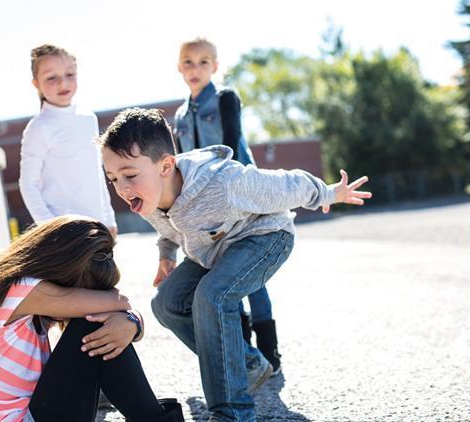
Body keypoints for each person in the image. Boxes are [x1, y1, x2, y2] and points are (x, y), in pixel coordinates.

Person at [98, 108, 371, 421]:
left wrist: (328, 192)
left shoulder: (222, 183)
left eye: (129, 175)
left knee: (212, 296)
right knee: (166, 303)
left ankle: (233, 412)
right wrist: (166, 256)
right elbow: (169, 231)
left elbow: (285, 185)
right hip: (213, 250)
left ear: (165, 166)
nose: (121, 188)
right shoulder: (148, 196)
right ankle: (247, 364)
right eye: (113, 178)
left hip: (265, 238)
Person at [0, 216, 184, 422]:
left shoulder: (14, 290)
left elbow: (121, 308)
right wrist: (130, 319)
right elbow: (119, 302)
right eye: (82, 292)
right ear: (62, 270)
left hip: (27, 415)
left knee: (100, 324)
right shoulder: (19, 289)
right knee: (93, 323)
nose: (79, 304)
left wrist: (132, 323)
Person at [173, 37, 280, 374]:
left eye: (204, 62)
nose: (196, 69)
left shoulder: (225, 99)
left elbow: (232, 145)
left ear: (215, 66)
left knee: (252, 276)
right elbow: (181, 164)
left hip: (241, 198)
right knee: (222, 275)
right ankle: (246, 355)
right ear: (179, 67)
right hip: (204, 207)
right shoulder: (179, 115)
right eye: (188, 62)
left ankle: (269, 352)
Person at [19, 44, 117, 235]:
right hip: (65, 233)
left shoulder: (89, 119)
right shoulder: (39, 128)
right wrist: (50, 227)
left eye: (69, 74)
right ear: (36, 84)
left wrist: (109, 218)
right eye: (51, 77)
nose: (62, 83)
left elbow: (96, 173)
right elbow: (28, 183)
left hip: (98, 226)